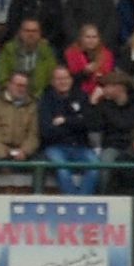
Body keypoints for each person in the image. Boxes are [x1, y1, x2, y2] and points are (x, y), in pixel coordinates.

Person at [39, 66, 100, 195]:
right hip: (55, 147)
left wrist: (65, 121)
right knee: (63, 170)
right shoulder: (45, 100)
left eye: (66, 78)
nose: (63, 82)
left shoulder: (82, 96)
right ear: (52, 82)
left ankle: (82, 203)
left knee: (96, 167)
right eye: (59, 79)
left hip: (81, 146)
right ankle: (73, 203)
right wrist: (76, 122)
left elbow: (89, 123)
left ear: (71, 80)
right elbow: (47, 131)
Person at [0, 72, 40, 193]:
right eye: (18, 85)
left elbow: (34, 133)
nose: (21, 89)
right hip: (0, 150)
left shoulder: (33, 105)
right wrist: (4, 152)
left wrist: (25, 150)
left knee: (41, 162)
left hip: (23, 150)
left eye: (24, 86)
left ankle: (36, 199)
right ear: (9, 85)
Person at [0, 18, 58, 99]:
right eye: (27, 31)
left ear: (40, 33)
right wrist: (16, 92)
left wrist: (38, 96)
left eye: (34, 31)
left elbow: (52, 79)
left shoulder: (47, 52)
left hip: (40, 98)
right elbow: (2, 77)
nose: (31, 34)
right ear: (20, 32)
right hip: (12, 97)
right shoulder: (9, 50)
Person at [64, 24, 116, 98]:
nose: (91, 40)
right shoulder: (71, 53)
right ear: (81, 38)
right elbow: (70, 78)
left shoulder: (106, 54)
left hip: (101, 93)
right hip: (77, 92)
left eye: (94, 37)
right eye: (88, 37)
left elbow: (110, 76)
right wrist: (85, 72)